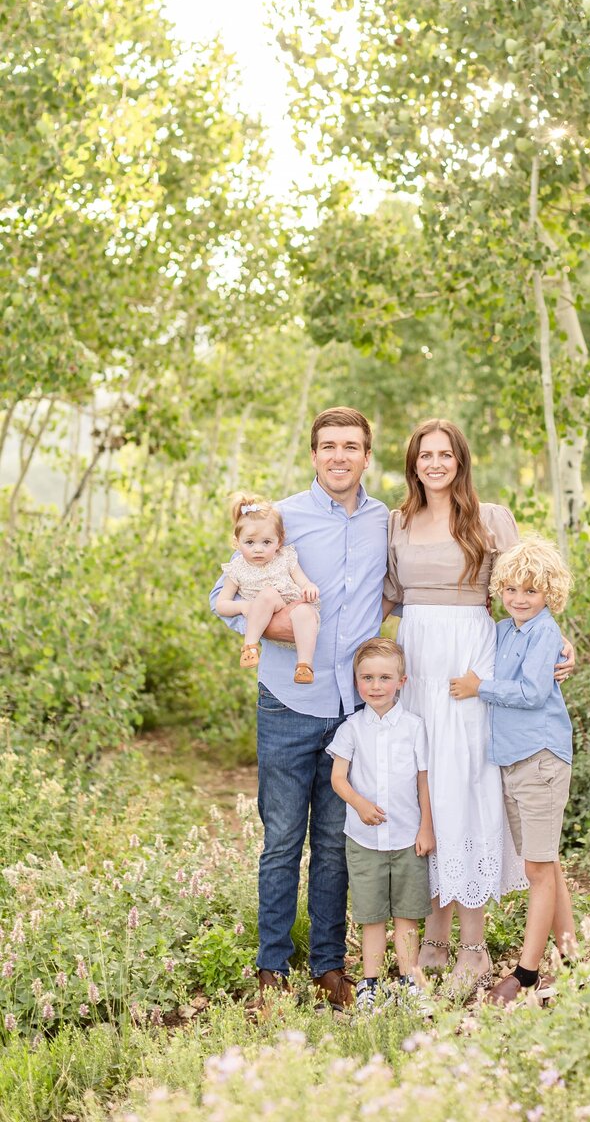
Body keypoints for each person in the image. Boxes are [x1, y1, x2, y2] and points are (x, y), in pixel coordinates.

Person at [383, 418, 576, 997]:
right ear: (413, 462)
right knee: (429, 783)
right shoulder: (396, 521)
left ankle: (474, 944)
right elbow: (386, 599)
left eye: (446, 454)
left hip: (471, 654)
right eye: (425, 455)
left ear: (460, 461)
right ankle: (436, 936)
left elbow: (529, 588)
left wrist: (563, 644)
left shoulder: (489, 518)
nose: (435, 464)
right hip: (417, 652)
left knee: (468, 782)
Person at [209, 408, 389, 1010]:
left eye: (352, 447)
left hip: (352, 709)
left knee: (337, 842)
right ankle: (271, 972)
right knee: (283, 840)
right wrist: (275, 622)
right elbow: (221, 594)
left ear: (367, 455)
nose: (340, 456)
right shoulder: (281, 517)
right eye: (329, 446)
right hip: (289, 701)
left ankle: (330, 968)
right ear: (314, 454)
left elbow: (411, 589)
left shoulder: (385, 522)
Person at [450, 534, 577, 1006]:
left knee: (538, 867)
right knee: (546, 862)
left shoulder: (544, 632)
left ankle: (525, 973)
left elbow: (532, 693)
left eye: (531, 591)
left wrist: (479, 688)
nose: (520, 599)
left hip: (540, 757)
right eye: (512, 591)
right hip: (512, 760)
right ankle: (573, 957)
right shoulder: (506, 630)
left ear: (549, 594)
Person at [327, 637, 435, 1011]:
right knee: (371, 917)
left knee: (407, 916)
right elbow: (338, 779)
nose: (375, 686)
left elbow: (424, 781)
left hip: (408, 837)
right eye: (367, 678)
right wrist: (359, 804)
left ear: (401, 682)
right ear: (356, 681)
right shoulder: (351, 729)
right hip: (364, 839)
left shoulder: (414, 727)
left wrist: (427, 828)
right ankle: (370, 986)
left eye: (384, 678)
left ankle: (411, 984)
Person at [215, 493, 320, 682]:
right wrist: (244, 607)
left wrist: (309, 587)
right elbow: (220, 604)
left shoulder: (285, 558)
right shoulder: (237, 569)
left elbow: (303, 581)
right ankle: (250, 647)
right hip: (266, 617)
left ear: (279, 541)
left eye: (266, 542)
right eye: (249, 542)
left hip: (294, 615)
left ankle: (304, 665)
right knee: (268, 594)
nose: (258, 549)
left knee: (305, 611)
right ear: (237, 542)